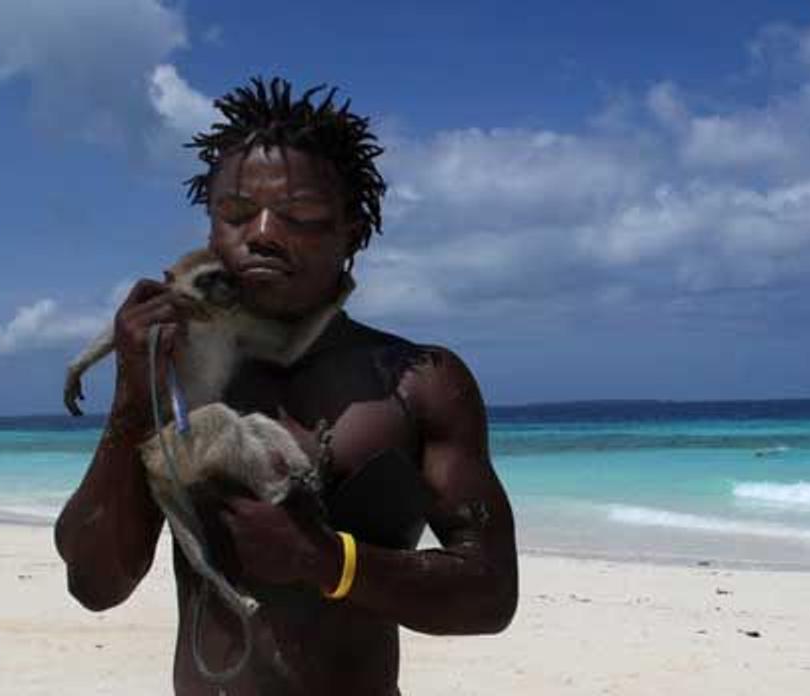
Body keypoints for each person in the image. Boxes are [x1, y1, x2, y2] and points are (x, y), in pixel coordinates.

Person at [54, 77, 518, 695]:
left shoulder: (418, 383)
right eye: (236, 214)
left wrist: (329, 562)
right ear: (210, 223)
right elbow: (95, 583)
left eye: (300, 215)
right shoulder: (175, 376)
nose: (264, 233)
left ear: (352, 229)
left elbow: (489, 594)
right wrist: (133, 395)